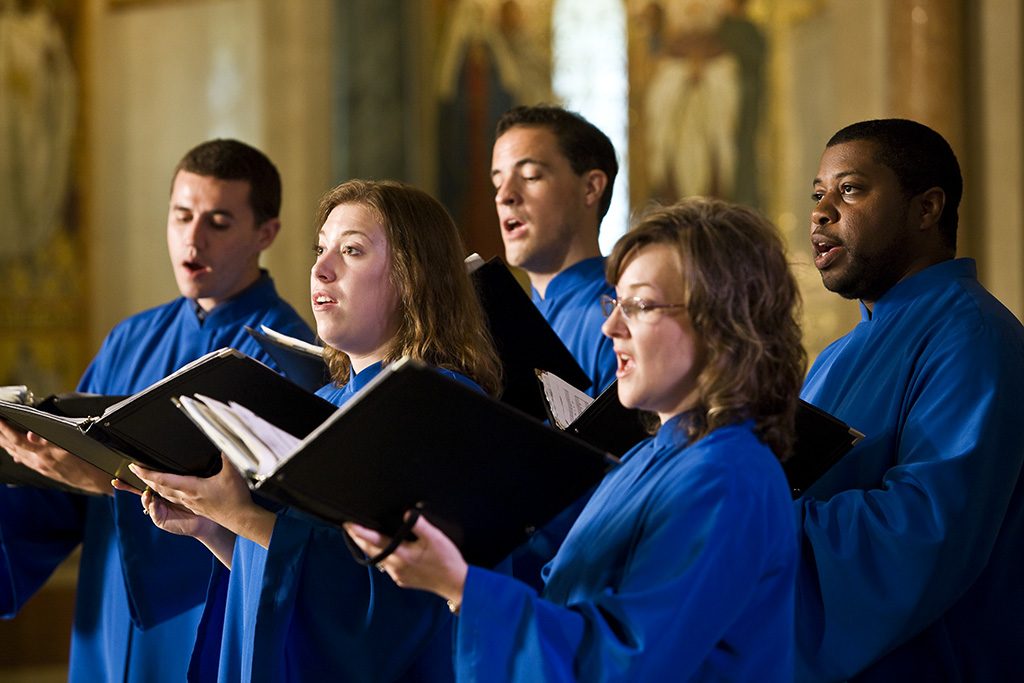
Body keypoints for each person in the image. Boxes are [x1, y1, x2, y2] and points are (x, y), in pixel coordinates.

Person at [348, 198, 806, 681]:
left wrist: (461, 585)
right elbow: (567, 597)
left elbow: (627, 659)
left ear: (724, 323)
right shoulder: (653, 456)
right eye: (615, 303)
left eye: (641, 305)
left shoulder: (728, 479)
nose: (612, 326)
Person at [127, 180, 502, 681]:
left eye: (352, 250)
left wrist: (243, 517)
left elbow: (391, 604)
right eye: (321, 248)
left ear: (414, 277)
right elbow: (288, 579)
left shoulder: (441, 408)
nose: (322, 268)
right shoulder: (322, 404)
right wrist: (213, 527)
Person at [0, 139, 315, 682]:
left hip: (203, 620)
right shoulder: (131, 338)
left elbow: (277, 532)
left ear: (265, 234)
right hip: (105, 610)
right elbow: (59, 499)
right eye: (182, 216)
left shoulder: (286, 358)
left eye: (218, 221)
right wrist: (32, 461)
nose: (193, 239)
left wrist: (108, 481)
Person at [796, 118, 1024, 680]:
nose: (822, 212)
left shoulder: (970, 334)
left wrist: (756, 521)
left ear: (926, 210)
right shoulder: (838, 352)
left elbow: (921, 528)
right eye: (818, 194)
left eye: (850, 190)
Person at [491, 104, 618, 398]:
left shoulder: (620, 316)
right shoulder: (507, 325)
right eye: (497, 181)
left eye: (531, 176)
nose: (504, 195)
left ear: (590, 187)